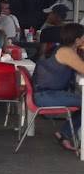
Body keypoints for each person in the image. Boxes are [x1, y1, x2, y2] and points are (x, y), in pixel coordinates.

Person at [32, 23, 84, 152]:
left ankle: (64, 134)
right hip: (46, 96)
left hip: (45, 94)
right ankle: (67, 134)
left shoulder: (61, 49)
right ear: (77, 39)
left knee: (81, 101)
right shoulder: (66, 52)